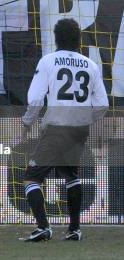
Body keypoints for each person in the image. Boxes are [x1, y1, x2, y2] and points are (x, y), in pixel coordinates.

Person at [21, 18, 108, 242]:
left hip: (57, 127)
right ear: (79, 40)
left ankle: (43, 227)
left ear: (56, 38)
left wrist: (27, 123)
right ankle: (74, 230)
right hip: (79, 129)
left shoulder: (49, 61)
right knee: (71, 175)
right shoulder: (91, 64)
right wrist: (84, 118)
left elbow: (36, 98)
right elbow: (103, 104)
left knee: (31, 179)